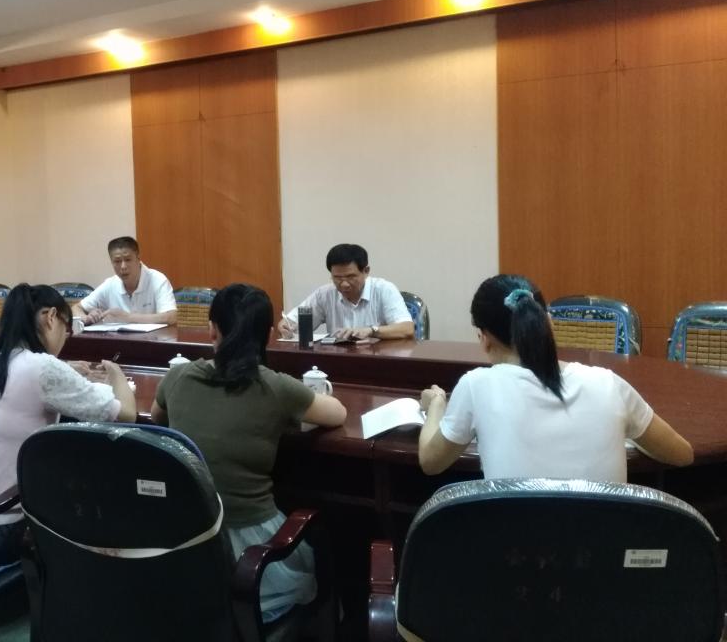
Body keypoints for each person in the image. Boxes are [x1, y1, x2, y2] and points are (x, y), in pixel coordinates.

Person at [151, 283, 347, 621]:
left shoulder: (177, 376)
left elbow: (158, 419)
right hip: (252, 554)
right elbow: (337, 414)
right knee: (324, 542)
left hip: (184, 543)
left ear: (212, 329)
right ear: (269, 335)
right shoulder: (275, 386)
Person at [0, 284, 137, 570]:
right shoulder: (42, 368)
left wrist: (64, 370)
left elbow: (23, 372)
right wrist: (116, 375)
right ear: (51, 317)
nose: (66, 337)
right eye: (67, 328)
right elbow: (126, 414)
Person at [418, 274, 693, 480]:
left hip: (513, 542)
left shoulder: (475, 385)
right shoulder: (607, 384)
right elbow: (682, 454)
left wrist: (437, 405)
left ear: (484, 338)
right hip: (605, 543)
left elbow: (430, 462)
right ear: (549, 324)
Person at [278, 243, 414, 341]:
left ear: (366, 271)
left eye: (350, 277)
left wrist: (371, 331)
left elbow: (407, 329)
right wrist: (285, 327)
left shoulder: (384, 289)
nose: (344, 284)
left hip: (378, 359)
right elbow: (292, 323)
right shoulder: (325, 294)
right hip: (338, 360)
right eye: (337, 278)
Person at [72, 236, 177, 325]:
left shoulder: (157, 280)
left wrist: (128, 317)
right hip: (120, 341)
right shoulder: (110, 284)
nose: (123, 266)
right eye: (117, 261)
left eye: (128, 260)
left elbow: (171, 317)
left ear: (138, 258)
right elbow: (76, 308)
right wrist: (86, 318)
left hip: (153, 341)